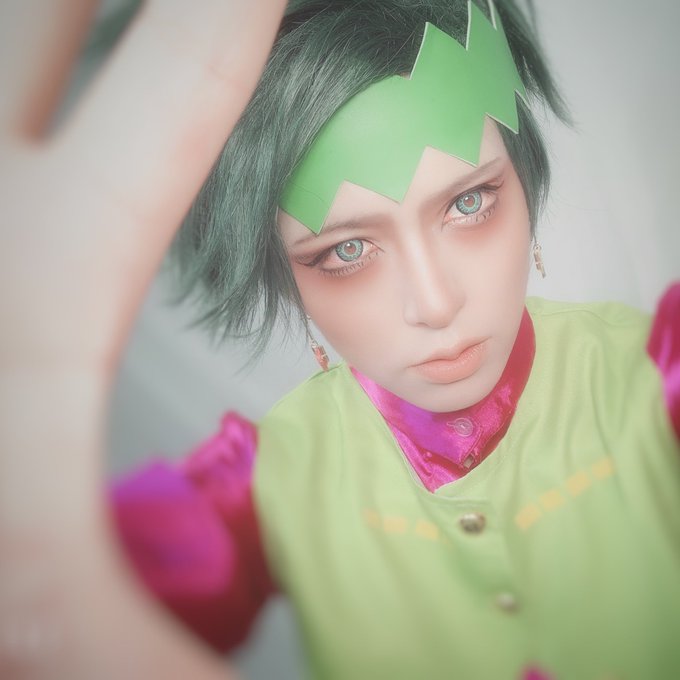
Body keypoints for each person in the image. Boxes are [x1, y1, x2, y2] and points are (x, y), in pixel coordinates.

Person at [1, 2, 678, 680]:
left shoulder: (656, 374)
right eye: (348, 250)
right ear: (288, 275)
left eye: (467, 203)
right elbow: (46, 608)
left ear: (523, 185)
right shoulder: (256, 490)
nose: (435, 303)